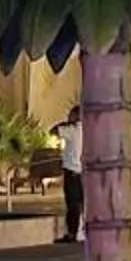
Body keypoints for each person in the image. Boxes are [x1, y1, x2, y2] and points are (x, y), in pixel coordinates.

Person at [56, 104, 84, 243]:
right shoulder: (88, 130)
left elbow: (54, 131)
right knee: (83, 203)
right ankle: (83, 232)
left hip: (72, 173)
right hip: (84, 173)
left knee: (73, 204)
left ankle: (72, 233)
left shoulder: (72, 130)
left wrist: (67, 123)